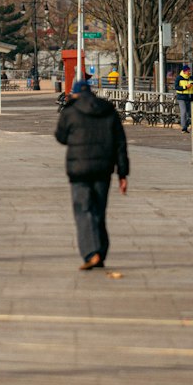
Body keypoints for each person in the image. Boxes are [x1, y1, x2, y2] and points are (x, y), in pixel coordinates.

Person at [54, 77, 129, 269]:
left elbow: (61, 137)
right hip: (103, 169)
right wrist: (123, 174)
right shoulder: (108, 110)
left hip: (79, 170)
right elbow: (120, 143)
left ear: (75, 93)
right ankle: (101, 253)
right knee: (99, 210)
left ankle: (91, 252)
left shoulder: (70, 111)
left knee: (84, 210)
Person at [175, 65, 193, 133]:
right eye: (188, 71)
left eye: (189, 71)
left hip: (189, 97)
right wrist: (185, 87)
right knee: (183, 112)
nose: (189, 72)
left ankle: (186, 126)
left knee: (189, 113)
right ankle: (183, 127)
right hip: (181, 97)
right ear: (184, 71)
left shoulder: (191, 78)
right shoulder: (179, 78)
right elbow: (176, 87)